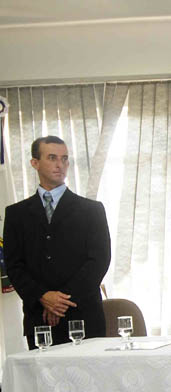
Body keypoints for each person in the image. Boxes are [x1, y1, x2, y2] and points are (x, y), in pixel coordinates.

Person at [3, 135, 110, 349]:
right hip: (39, 320)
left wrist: (59, 302)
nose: (60, 164)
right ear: (35, 163)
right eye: (52, 157)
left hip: (84, 317)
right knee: (44, 383)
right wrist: (43, 297)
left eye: (65, 159)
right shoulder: (16, 214)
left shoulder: (91, 210)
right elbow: (14, 265)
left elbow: (99, 261)